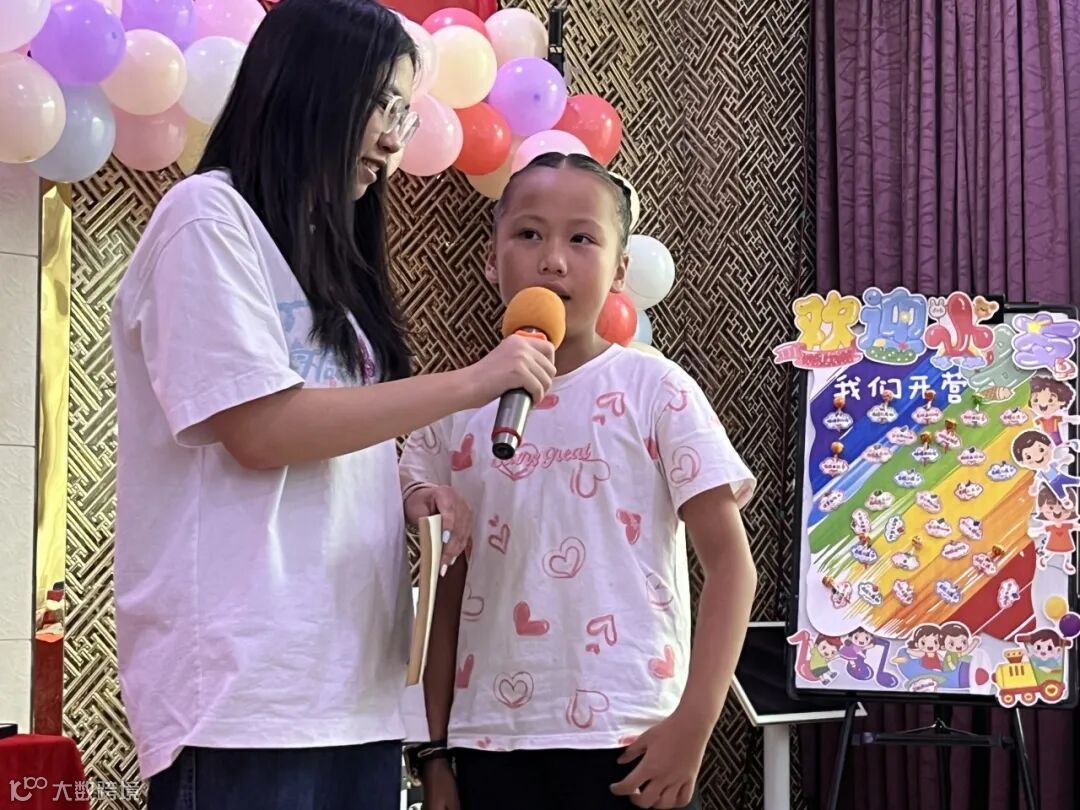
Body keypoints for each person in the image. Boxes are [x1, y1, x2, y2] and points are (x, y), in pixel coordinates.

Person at [109, 1, 556, 808]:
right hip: (243, 698)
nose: (394, 138)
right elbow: (259, 430)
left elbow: (328, 439)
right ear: (309, 86)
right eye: (383, 104)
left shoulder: (328, 266)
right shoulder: (206, 219)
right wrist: (475, 379)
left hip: (353, 690)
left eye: (405, 113)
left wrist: (403, 494)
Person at [399, 153, 758, 810]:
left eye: (582, 238)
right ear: (491, 258)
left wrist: (694, 722)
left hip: (628, 738)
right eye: (528, 234)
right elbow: (445, 594)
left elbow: (732, 565)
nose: (553, 260)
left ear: (620, 270)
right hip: (489, 744)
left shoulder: (656, 389)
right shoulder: (456, 409)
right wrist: (434, 751)